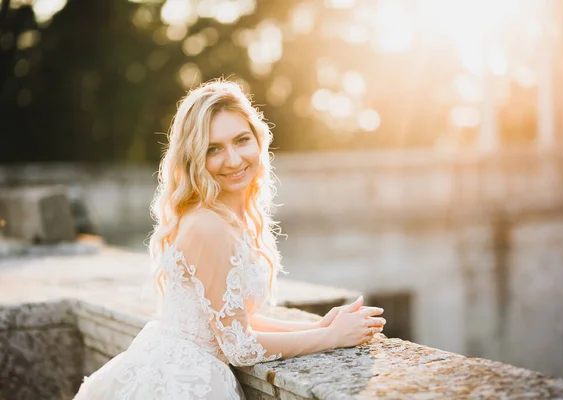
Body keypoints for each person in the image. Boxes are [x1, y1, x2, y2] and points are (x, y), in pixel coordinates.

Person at [73, 79, 386, 399]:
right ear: (194, 157)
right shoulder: (208, 226)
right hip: (184, 381)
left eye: (241, 140)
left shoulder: (221, 216)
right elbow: (239, 345)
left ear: (258, 140)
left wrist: (317, 328)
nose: (234, 159)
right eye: (214, 149)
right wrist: (332, 338)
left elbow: (235, 319)